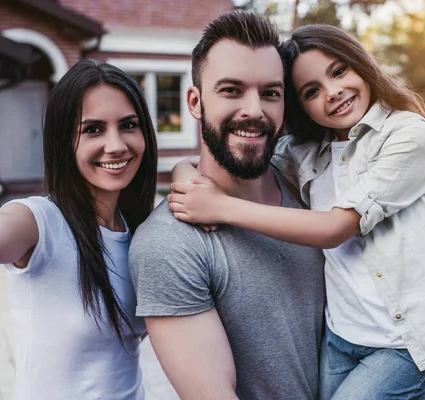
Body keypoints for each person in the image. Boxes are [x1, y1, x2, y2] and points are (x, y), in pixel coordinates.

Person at [168, 24, 425, 400]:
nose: (333, 92)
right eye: (312, 91)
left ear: (361, 64)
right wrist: (187, 175)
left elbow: (335, 227)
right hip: (342, 337)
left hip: (404, 342)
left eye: (339, 71)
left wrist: (220, 207)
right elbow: (224, 160)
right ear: (301, 106)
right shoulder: (307, 152)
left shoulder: (406, 135)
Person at [0, 59, 158, 400]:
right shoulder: (42, 221)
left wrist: (180, 172)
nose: (116, 144)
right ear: (64, 142)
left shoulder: (140, 232)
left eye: (128, 125)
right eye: (92, 129)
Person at [128, 11, 326, 400]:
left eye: (270, 92)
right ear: (195, 101)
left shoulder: (308, 184)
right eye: (232, 90)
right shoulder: (169, 246)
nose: (254, 110)